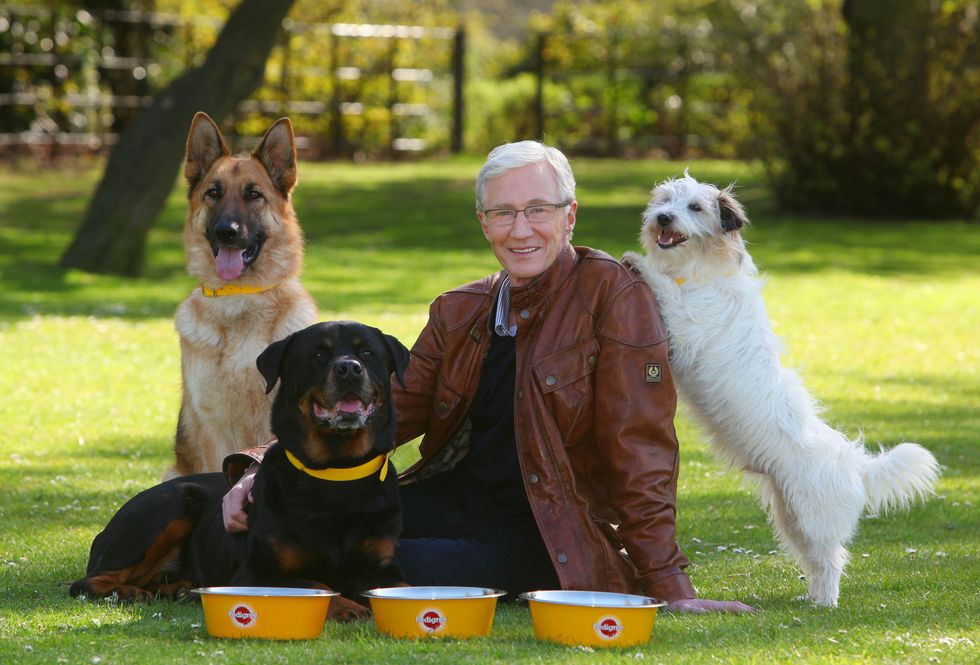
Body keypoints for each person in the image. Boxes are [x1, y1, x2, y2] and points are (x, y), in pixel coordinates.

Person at [222, 141, 753, 614]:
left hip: (547, 531)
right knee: (296, 525)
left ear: (570, 217)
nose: (520, 229)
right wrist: (257, 469)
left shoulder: (613, 298)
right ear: (483, 222)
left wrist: (668, 583)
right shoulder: (461, 309)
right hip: (452, 500)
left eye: (538, 210)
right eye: (503, 212)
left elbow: (641, 450)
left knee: (370, 566)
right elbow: (388, 405)